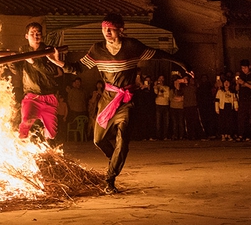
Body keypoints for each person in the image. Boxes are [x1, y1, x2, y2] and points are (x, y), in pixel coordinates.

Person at [79, 14, 190, 194]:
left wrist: (183, 64)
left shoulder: (132, 47)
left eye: (111, 28)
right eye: (104, 28)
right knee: (98, 140)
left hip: (127, 100)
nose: (106, 32)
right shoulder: (97, 49)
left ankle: (110, 178)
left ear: (120, 29)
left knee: (122, 140)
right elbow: (75, 68)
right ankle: (114, 158)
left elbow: (158, 54)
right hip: (107, 100)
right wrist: (55, 60)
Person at [12, 22, 76, 141]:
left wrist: (34, 62)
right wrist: (11, 61)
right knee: (25, 123)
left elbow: (52, 70)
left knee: (51, 133)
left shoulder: (48, 51)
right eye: (32, 33)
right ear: (26, 36)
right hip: (32, 96)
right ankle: (22, 148)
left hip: (49, 97)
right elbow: (18, 71)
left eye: (38, 33)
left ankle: (46, 150)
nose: (36, 36)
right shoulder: (23, 51)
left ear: (42, 36)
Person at [153, 75, 171, 140]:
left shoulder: (167, 87)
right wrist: (156, 86)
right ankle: (158, 136)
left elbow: (167, 95)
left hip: (165, 105)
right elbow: (156, 93)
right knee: (158, 121)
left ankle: (165, 136)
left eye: (162, 78)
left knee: (166, 121)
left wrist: (161, 94)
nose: (161, 80)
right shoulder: (156, 87)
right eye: (159, 78)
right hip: (158, 104)